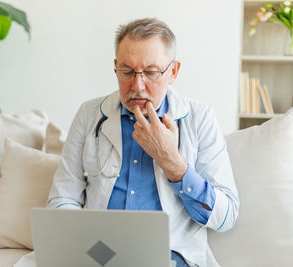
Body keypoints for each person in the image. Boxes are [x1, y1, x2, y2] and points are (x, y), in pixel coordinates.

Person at [47, 18, 239, 267]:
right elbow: (63, 197)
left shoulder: (201, 118)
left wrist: (172, 163)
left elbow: (226, 217)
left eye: (151, 72)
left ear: (173, 71)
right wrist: (84, 246)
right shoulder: (89, 114)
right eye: (127, 71)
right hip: (98, 256)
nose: (137, 85)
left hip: (169, 257)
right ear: (115, 67)